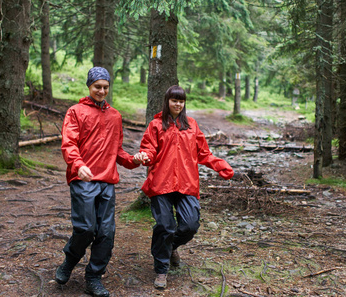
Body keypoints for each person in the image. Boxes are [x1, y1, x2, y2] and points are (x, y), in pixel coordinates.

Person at [55, 67, 147, 297]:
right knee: (86, 228)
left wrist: (134, 159)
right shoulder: (75, 112)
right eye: (97, 86)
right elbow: (69, 144)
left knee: (106, 233)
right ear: (89, 86)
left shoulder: (115, 116)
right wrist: (78, 165)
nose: (102, 91)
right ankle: (69, 262)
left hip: (107, 181)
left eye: (105, 87)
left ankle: (93, 277)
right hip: (83, 179)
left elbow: (117, 151)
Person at [138, 85, 234, 289]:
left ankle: (169, 247)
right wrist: (145, 157)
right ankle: (161, 269)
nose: (178, 104)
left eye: (181, 101)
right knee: (165, 225)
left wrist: (220, 165)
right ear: (167, 102)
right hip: (161, 183)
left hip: (186, 183)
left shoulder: (191, 125)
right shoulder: (156, 125)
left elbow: (204, 153)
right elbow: (148, 149)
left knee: (190, 225)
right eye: (174, 100)